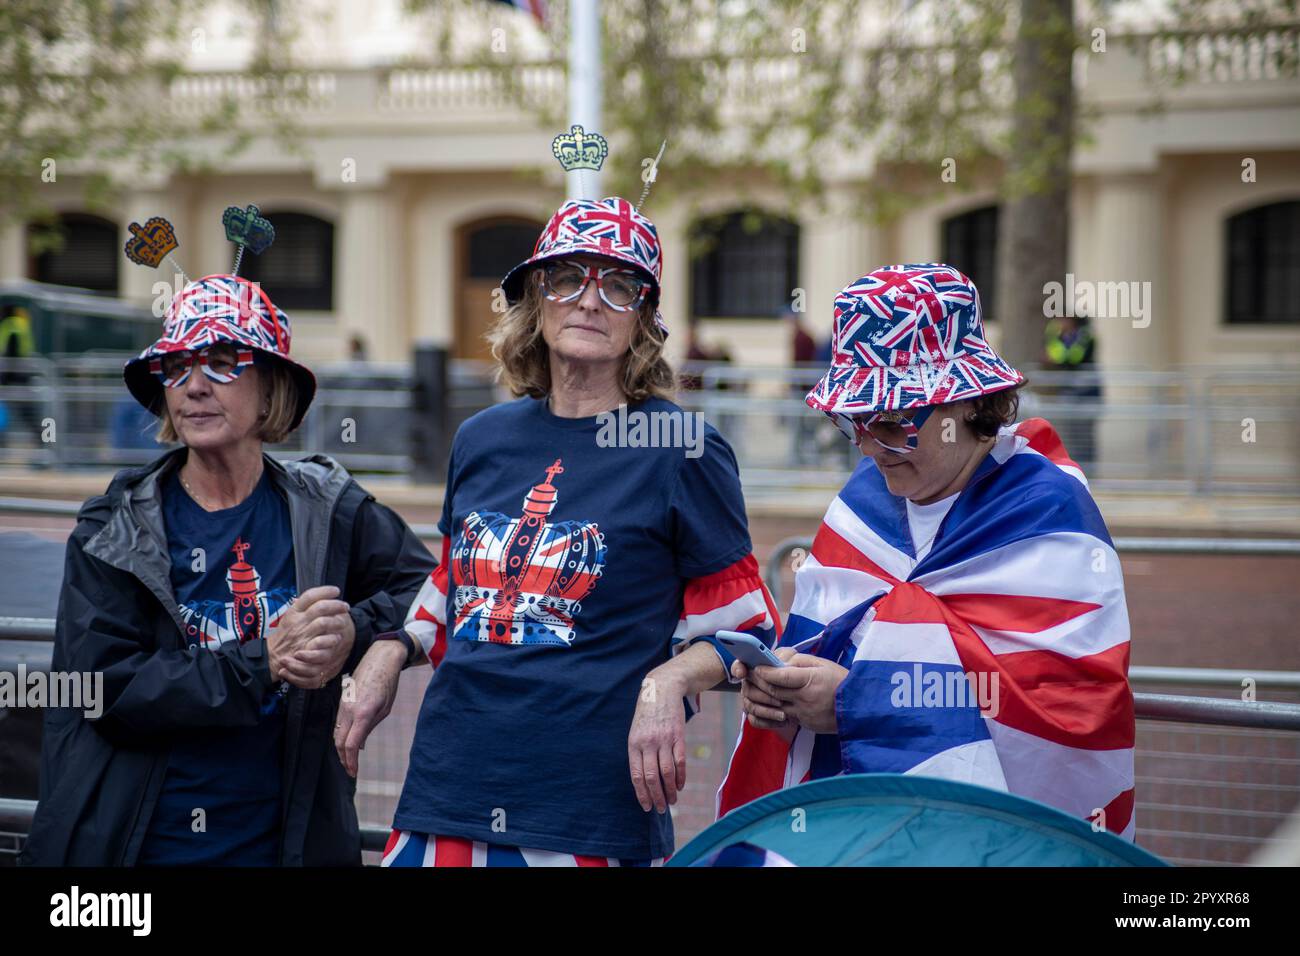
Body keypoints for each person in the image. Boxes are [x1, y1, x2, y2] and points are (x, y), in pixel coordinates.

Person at [337, 197, 780, 866]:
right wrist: (392, 647)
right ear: (535, 300)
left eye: (620, 285)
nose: (590, 301)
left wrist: (667, 682)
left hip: (589, 813)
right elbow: (457, 579)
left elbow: (748, 626)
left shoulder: (684, 447)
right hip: (446, 790)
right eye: (567, 277)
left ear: (644, 320)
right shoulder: (481, 438)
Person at [20, 273, 435, 866]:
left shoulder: (330, 506)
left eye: (221, 362)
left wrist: (365, 639)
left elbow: (423, 587)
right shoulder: (114, 526)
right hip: (135, 851)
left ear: (270, 388)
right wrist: (263, 660)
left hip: (284, 846)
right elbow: (103, 690)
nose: (194, 387)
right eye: (177, 367)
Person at [719, 263, 1137, 840]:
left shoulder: (1048, 510)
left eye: (891, 423)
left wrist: (858, 703)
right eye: (853, 422)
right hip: (858, 829)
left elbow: (1066, 714)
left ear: (967, 405)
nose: (867, 448)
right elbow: (822, 637)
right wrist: (780, 686)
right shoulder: (860, 503)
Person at [1043, 312, 1099, 467]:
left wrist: (1055, 356)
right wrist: (1052, 333)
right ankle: (1074, 464)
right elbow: (1055, 353)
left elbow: (1075, 356)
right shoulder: (1060, 336)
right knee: (1070, 431)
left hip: (1087, 391)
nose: (1060, 323)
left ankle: (1089, 467)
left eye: (1062, 320)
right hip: (1069, 389)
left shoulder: (1085, 336)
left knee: (1085, 432)